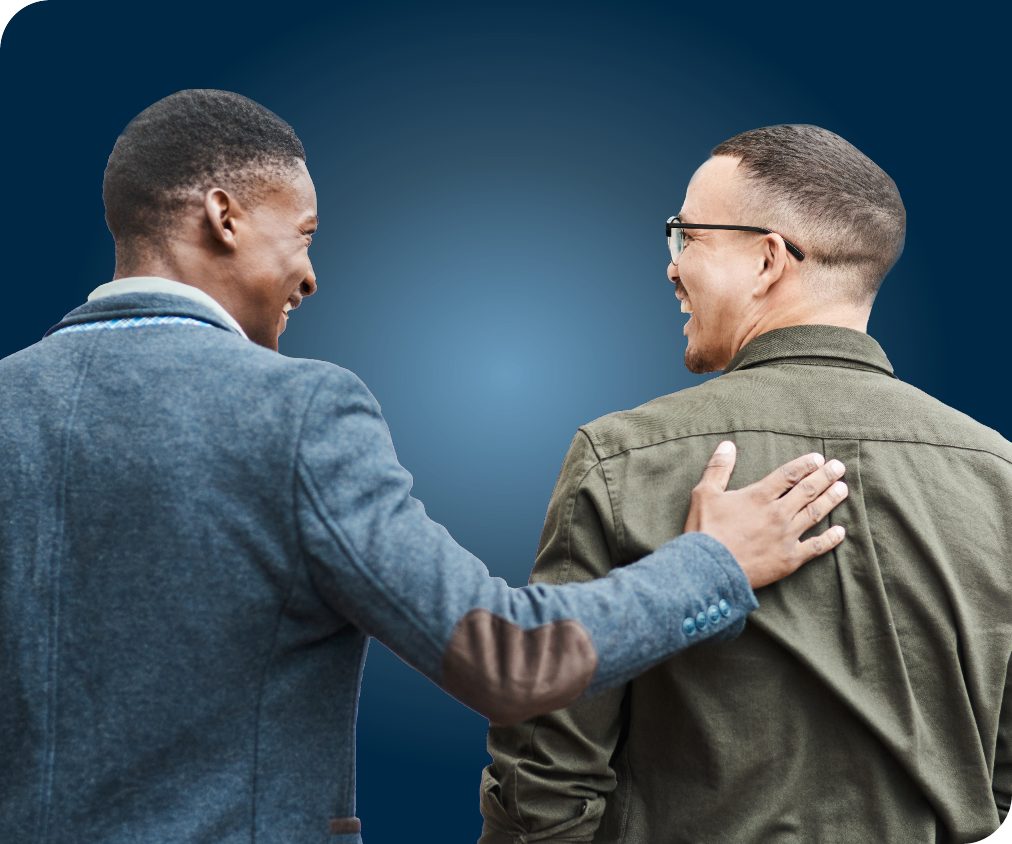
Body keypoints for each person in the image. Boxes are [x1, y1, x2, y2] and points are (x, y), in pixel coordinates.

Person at [0, 93, 849, 844]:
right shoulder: (297, 412)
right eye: (303, 235)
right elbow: (509, 659)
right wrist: (716, 564)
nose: (310, 274)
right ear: (223, 216)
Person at [479, 125, 1012, 844]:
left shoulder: (623, 458)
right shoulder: (998, 476)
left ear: (768, 259)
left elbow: (546, 775)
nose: (671, 267)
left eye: (686, 238)